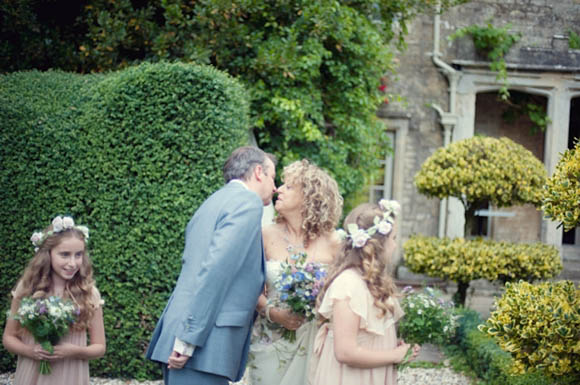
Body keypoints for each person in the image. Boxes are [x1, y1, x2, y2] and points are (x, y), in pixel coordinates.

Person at [146, 146, 277, 385]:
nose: (275, 187)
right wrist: (188, 340)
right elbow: (215, 271)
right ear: (259, 172)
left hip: (187, 334)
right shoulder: (248, 202)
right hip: (202, 345)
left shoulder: (214, 201)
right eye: (272, 177)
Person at [249, 159, 343, 385]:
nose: (278, 190)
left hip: (315, 339)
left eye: (288, 187)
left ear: (310, 198)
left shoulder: (334, 242)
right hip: (270, 339)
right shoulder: (264, 235)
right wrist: (274, 313)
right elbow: (247, 287)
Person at [309, 200, 420, 385]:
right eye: (393, 238)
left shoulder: (371, 281)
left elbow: (369, 336)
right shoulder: (348, 285)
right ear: (377, 244)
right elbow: (345, 351)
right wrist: (394, 355)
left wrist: (394, 348)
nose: (394, 246)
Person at [2, 215, 106, 385]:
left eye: (78, 255)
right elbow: (9, 337)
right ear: (48, 255)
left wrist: (75, 351)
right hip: (32, 373)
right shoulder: (28, 288)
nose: (72, 263)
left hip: (71, 373)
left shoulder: (89, 293)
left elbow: (99, 347)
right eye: (64, 255)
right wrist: (31, 351)